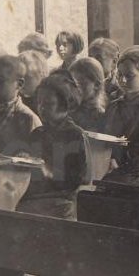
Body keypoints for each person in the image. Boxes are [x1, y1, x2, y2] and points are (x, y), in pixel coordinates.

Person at [17, 74, 87, 220]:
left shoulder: (75, 135)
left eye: (49, 104)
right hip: (36, 198)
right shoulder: (37, 133)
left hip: (61, 201)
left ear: (64, 104)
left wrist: (49, 172)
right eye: (39, 102)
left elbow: (77, 182)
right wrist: (24, 158)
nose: (41, 108)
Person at [100, 46, 139, 186]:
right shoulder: (113, 106)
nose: (123, 80)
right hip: (108, 168)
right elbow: (104, 140)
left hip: (135, 176)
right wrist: (108, 159)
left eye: (129, 76)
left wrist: (116, 161)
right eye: (119, 75)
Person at [67, 56, 109, 132]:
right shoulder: (68, 112)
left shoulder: (102, 117)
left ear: (97, 85)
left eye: (81, 83)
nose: (76, 88)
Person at [89, 37, 122, 102]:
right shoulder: (86, 85)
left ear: (114, 61)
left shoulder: (121, 87)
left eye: (98, 58)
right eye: (91, 58)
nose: (93, 62)